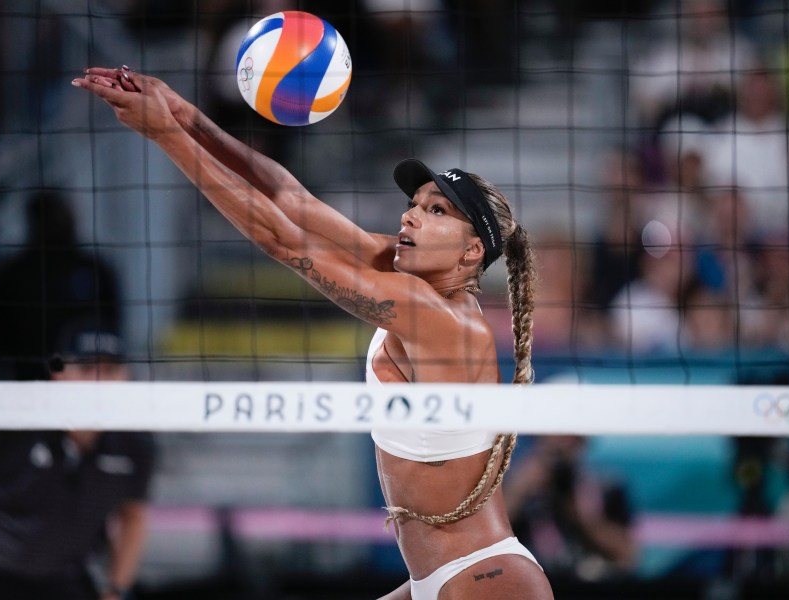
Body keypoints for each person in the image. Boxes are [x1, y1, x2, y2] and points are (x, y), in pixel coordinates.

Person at [72, 66, 553, 600]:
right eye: (413, 204)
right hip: (433, 578)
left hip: (485, 578)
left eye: (435, 210)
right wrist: (189, 118)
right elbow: (291, 200)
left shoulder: (436, 314)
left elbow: (282, 240)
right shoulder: (408, 279)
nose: (411, 216)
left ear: (470, 253)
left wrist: (163, 135)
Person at [0, 319, 156, 600]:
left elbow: (133, 517)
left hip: (60, 577)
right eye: (87, 369)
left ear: (126, 375)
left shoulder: (135, 445)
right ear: (59, 372)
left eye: (110, 370)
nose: (99, 381)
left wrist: (116, 589)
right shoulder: (14, 420)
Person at [0, 189, 122, 381]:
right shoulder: (8, 276)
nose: (57, 221)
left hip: (80, 383)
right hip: (27, 385)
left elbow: (114, 334)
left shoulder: (95, 271)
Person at [505, 435, 637, 581]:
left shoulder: (605, 485)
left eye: (572, 437)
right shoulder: (515, 482)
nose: (562, 443)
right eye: (556, 434)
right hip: (530, 582)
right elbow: (490, 538)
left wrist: (586, 519)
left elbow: (628, 555)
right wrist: (518, 491)